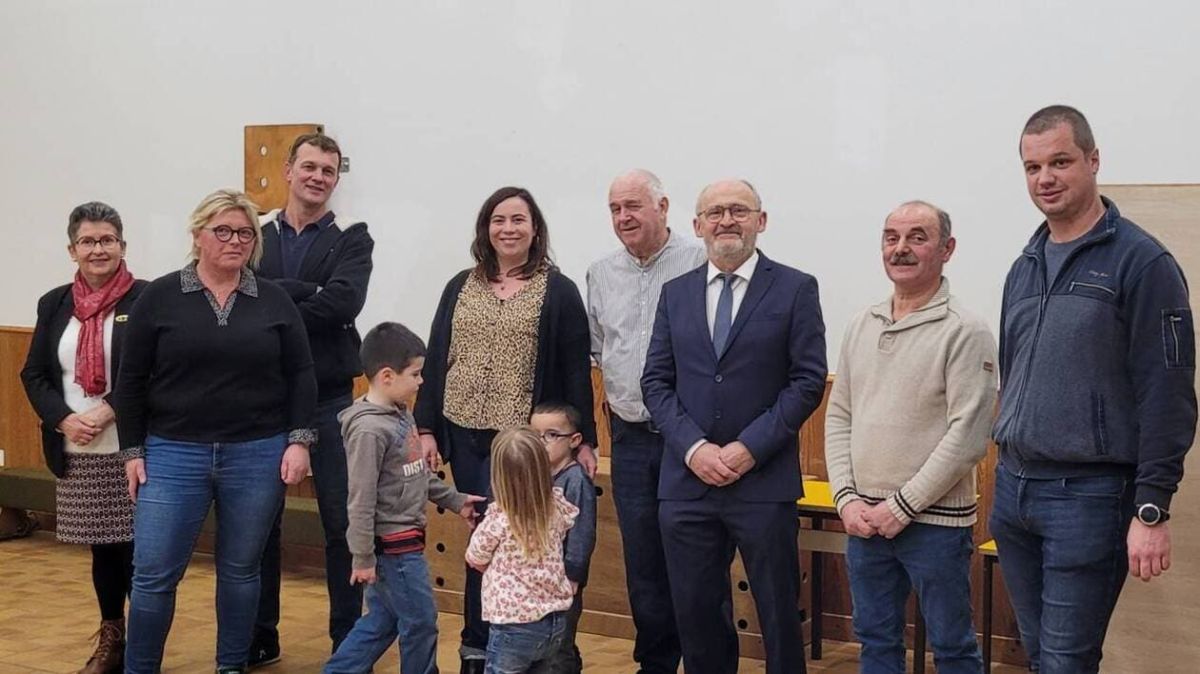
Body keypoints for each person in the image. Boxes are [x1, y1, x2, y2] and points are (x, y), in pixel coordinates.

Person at [990, 105, 1197, 673]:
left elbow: (1169, 391)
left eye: (1060, 162)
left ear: (1093, 160)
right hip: (1014, 491)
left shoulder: (1143, 261)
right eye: (1032, 168)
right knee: (1042, 659)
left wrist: (1152, 507)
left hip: (1088, 498)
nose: (1045, 179)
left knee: (1064, 663)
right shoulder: (1025, 264)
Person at [113, 188, 317, 674]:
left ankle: (231, 666)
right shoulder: (159, 296)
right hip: (171, 454)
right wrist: (133, 451)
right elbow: (131, 380)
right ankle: (139, 668)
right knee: (154, 575)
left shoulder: (274, 300)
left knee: (242, 571)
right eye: (222, 231)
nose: (235, 241)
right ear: (198, 236)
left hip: (257, 454)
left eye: (245, 233)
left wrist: (299, 440)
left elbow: (301, 375)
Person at [642, 179, 827, 674]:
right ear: (697, 225)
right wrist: (694, 448)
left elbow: (807, 382)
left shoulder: (795, 288)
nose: (727, 220)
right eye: (715, 212)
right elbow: (656, 383)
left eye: (739, 210)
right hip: (687, 485)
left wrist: (749, 448)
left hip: (763, 482)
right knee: (697, 617)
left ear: (760, 221)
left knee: (778, 614)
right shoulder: (674, 294)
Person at [413, 186, 596, 674]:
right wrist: (426, 427)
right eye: (499, 219)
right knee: (484, 543)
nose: (508, 228)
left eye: (519, 219)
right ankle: (478, 648)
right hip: (465, 436)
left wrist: (585, 441)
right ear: (485, 228)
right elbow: (436, 357)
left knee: (528, 548)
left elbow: (576, 369)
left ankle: (549, 652)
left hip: (525, 449)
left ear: (535, 230)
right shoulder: (459, 285)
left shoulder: (558, 290)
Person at [825, 201, 996, 673]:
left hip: (934, 525)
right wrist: (846, 500)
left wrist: (901, 506)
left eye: (917, 237)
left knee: (953, 646)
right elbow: (839, 415)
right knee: (875, 643)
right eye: (891, 237)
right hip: (864, 520)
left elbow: (968, 437)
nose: (901, 248)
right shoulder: (862, 323)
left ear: (947, 249)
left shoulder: (966, 330)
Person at [254, 132, 375, 663]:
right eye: (309, 166)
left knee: (341, 526)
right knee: (258, 526)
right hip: (261, 401)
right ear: (288, 170)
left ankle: (346, 642)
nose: (318, 177)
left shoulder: (353, 237)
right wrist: (309, 294)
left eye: (328, 170)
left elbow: (344, 301)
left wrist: (275, 301)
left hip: (330, 400)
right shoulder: (253, 234)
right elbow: (239, 295)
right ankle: (260, 634)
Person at [585, 169, 704, 674]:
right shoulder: (600, 273)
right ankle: (655, 664)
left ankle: (702, 659)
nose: (623, 217)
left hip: (690, 439)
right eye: (614, 209)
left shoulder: (700, 262)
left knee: (696, 559)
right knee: (643, 563)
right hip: (630, 438)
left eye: (633, 206)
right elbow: (598, 349)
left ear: (664, 206)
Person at [20, 201, 147, 674]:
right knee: (105, 548)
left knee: (141, 549)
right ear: (72, 250)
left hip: (133, 445)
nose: (99, 249)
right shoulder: (54, 303)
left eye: (108, 239)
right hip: (78, 446)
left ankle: (145, 646)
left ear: (122, 246)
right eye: (89, 241)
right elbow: (33, 373)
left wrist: (109, 409)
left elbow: (154, 374)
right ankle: (113, 640)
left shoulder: (147, 299)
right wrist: (63, 419)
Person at [324, 322, 481, 674]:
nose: (421, 381)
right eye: (416, 373)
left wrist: (456, 500)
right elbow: (360, 499)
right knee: (421, 623)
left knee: (382, 621)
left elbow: (416, 475)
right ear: (386, 376)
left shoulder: (401, 413)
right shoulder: (368, 430)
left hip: (406, 542)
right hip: (392, 548)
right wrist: (362, 556)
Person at [465, 427, 579, 674]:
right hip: (555, 622)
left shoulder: (499, 519)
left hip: (513, 628)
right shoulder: (556, 509)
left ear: (498, 476)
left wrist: (493, 568)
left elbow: (474, 556)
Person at [529, 402, 598, 673]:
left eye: (551, 435)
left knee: (558, 645)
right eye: (535, 435)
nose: (541, 442)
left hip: (563, 580)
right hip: (534, 579)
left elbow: (582, 533)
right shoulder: (532, 475)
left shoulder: (575, 481)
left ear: (574, 440)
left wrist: (573, 575)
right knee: (540, 643)